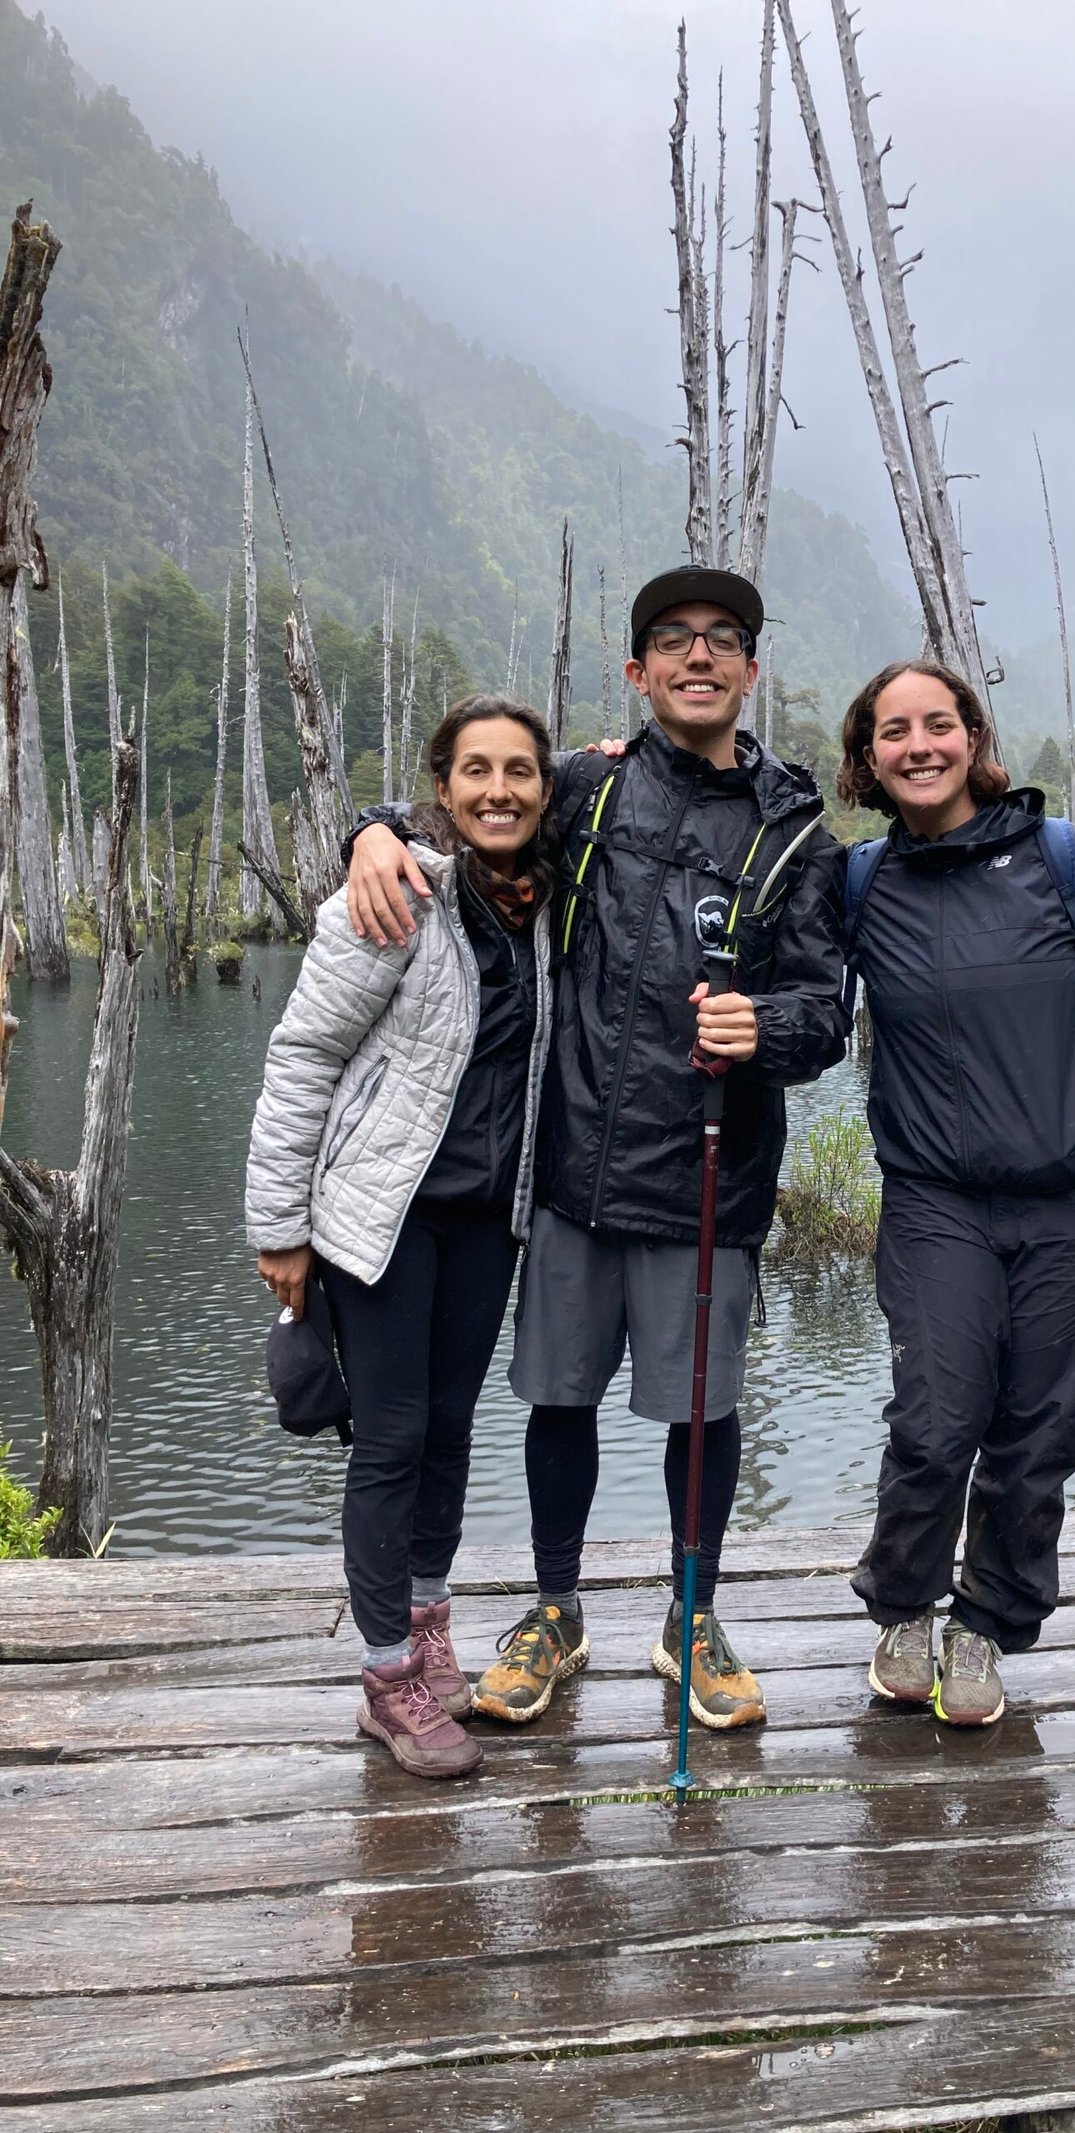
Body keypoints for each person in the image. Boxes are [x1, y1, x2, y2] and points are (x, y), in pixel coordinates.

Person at [344, 566, 848, 1732]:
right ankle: (556, 1610)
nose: (698, 656)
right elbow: (470, 810)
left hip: (709, 1179)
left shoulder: (796, 831)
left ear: (749, 669)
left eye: (722, 639)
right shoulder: (584, 789)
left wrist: (764, 1025)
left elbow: (827, 1009)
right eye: (673, 640)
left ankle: (691, 1616)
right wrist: (371, 832)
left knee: (702, 1413)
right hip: (569, 1168)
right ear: (637, 672)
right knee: (555, 1400)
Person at [836, 659, 1075, 1725]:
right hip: (936, 1202)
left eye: (939, 724)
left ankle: (985, 1628)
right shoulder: (857, 883)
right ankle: (903, 1607)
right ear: (869, 757)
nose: (919, 745)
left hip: (1073, 1200)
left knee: (1036, 1435)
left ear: (973, 738)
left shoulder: (1059, 858)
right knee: (935, 1421)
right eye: (896, 731)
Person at [246, 695, 557, 1779]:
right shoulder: (394, 897)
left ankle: (428, 1628)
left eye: (520, 770)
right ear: (441, 788)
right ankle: (385, 1677)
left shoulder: (547, 908)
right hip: (378, 1220)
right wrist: (279, 1227)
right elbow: (299, 1059)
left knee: (451, 1429)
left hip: (485, 1220)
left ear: (545, 791)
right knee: (388, 1439)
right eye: (475, 769)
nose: (498, 789)